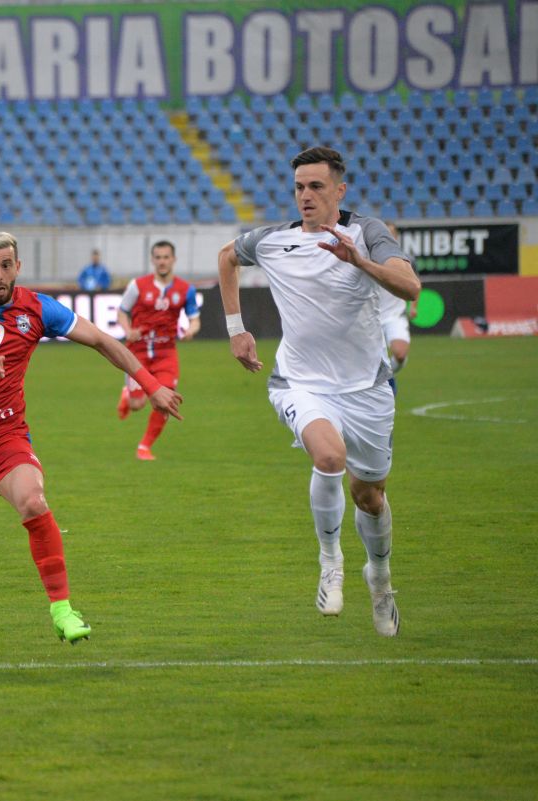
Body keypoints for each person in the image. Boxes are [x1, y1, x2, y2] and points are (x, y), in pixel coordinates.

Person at [0, 229, 183, 645]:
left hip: (3, 436)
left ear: (18, 267)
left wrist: (151, 385)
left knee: (32, 499)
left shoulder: (37, 309)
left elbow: (101, 340)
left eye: (6, 265)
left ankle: (62, 609)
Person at [217, 146, 420, 637]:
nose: (305, 196)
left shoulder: (367, 233)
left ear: (339, 190)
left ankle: (381, 579)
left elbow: (410, 287)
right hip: (301, 381)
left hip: (366, 388)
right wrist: (235, 329)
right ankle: (331, 563)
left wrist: (359, 261)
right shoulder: (272, 241)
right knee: (328, 457)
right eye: (299, 188)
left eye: (316, 187)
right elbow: (227, 257)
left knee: (369, 495)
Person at [115, 240, 201, 460]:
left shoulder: (185, 289)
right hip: (138, 352)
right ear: (152, 260)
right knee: (137, 405)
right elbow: (122, 312)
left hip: (166, 353)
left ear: (173, 259)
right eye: (158, 257)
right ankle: (128, 395)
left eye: (166, 257)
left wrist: (190, 330)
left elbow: (194, 319)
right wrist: (128, 329)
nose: (162, 261)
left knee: (166, 400)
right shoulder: (138, 285)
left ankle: (144, 446)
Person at [377, 222, 417, 394]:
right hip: (371, 316)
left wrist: (413, 305)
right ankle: (380, 382)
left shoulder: (405, 259)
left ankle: (387, 376)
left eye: (391, 233)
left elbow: (414, 283)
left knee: (400, 354)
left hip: (395, 314)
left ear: (396, 237)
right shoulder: (367, 255)